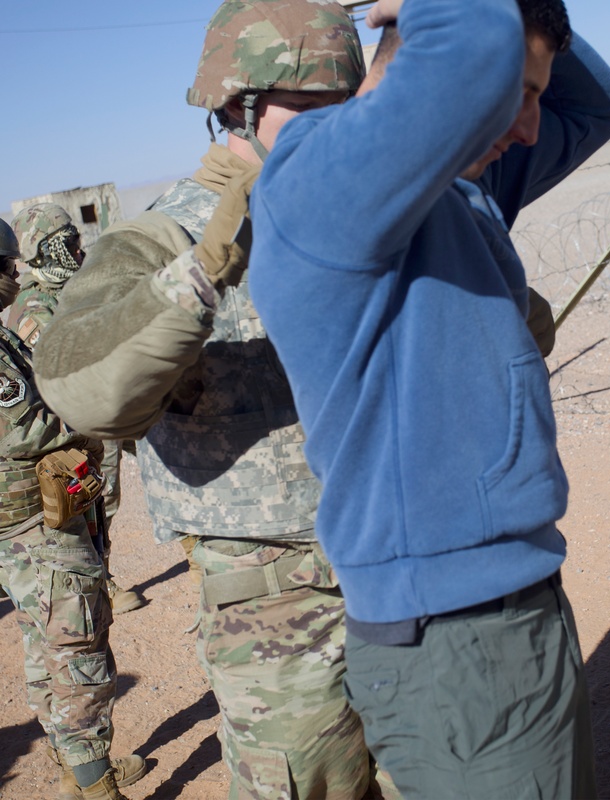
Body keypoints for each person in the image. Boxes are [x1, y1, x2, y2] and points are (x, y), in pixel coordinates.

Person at [249, 0, 610, 796]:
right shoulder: (325, 190)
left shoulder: (462, 184)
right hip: (451, 640)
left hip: (514, 611)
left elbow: (599, 104)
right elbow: (475, 41)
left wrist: (519, 28)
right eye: (514, 92)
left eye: (532, 93)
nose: (528, 127)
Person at [33, 2, 395, 798]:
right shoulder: (163, 237)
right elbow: (79, 386)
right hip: (279, 619)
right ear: (238, 105)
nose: (340, 123)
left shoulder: (363, 211)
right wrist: (204, 270)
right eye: (313, 103)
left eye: (350, 101)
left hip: (403, 572)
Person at [0, 218, 146, 800]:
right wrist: (93, 411)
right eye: (5, 268)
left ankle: (76, 765)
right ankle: (95, 786)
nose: (15, 276)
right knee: (78, 650)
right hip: (35, 527)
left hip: (23, 526)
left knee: (45, 646)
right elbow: (22, 429)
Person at [9, 203, 145, 614]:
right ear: (47, 251)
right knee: (89, 502)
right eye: (69, 244)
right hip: (67, 425)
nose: (79, 251)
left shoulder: (72, 290)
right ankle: (97, 581)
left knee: (105, 499)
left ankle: (100, 577)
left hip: (97, 411)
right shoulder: (37, 308)